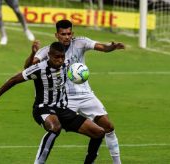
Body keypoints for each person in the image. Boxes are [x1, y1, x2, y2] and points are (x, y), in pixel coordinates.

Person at [0, 41, 105, 164]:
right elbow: (13, 80)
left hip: (62, 110)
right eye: (56, 57)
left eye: (62, 57)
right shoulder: (39, 69)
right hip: (43, 108)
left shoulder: (66, 65)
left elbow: (75, 70)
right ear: (49, 55)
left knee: (99, 132)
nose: (60, 60)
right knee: (55, 127)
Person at [24, 20, 125, 164]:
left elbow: (101, 47)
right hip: (64, 99)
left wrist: (112, 47)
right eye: (63, 34)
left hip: (86, 95)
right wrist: (33, 52)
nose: (67, 37)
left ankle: (117, 163)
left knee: (108, 127)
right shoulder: (48, 51)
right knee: (54, 130)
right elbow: (28, 67)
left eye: (69, 33)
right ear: (57, 35)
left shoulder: (80, 42)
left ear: (73, 33)